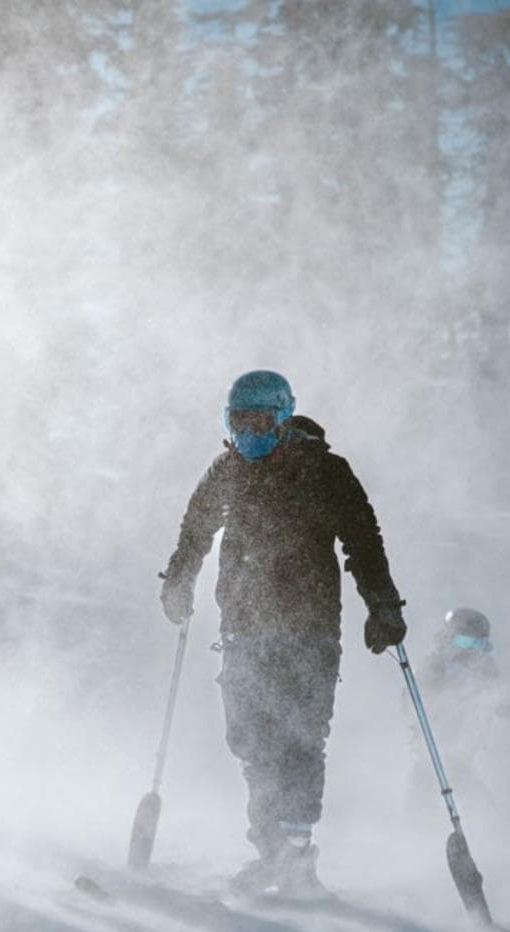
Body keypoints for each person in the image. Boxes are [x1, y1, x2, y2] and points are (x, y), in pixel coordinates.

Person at [158, 370, 406, 897]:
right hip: (244, 625)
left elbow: (364, 541)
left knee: (298, 737)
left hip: (309, 627)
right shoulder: (226, 470)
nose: (250, 432)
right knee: (249, 737)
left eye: (261, 421)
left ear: (284, 418)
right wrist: (180, 579)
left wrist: (381, 604)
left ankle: (295, 859)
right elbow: (195, 530)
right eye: (238, 421)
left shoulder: (325, 471)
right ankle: (272, 851)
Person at [405, 607, 510, 812]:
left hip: (462, 755)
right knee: (424, 799)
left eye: (478, 644)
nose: (469, 650)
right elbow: (411, 700)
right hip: (433, 752)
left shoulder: (484, 668)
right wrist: (428, 718)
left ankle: (485, 831)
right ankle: (417, 830)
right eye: (464, 642)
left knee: (476, 802)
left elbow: (500, 699)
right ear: (448, 638)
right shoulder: (435, 665)